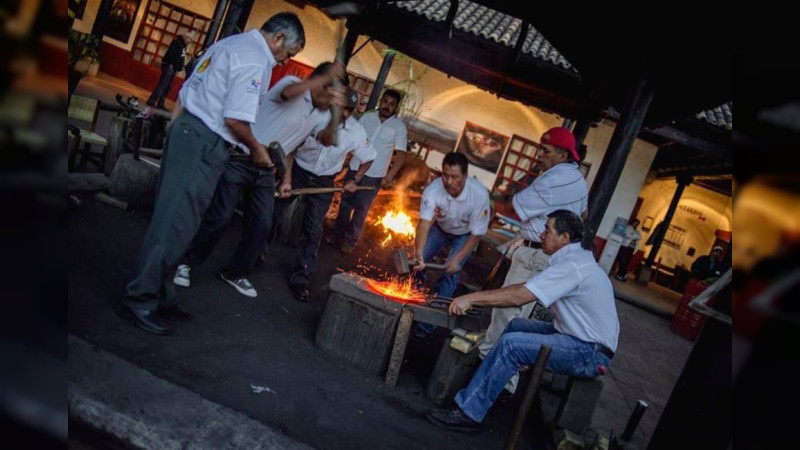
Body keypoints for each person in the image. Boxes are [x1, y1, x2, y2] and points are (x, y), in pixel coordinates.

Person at [117, 13, 305, 336]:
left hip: (190, 131)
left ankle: (162, 292)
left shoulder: (230, 44)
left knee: (183, 222)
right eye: (288, 53)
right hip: (204, 140)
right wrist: (259, 153)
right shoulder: (255, 59)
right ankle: (140, 297)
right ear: (278, 39)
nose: (285, 61)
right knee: (173, 223)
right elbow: (235, 120)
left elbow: (189, 88)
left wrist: (176, 132)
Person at [426, 210, 619, 433]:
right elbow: (522, 289)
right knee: (516, 327)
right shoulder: (572, 260)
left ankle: (468, 412)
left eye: (548, 230)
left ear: (564, 238)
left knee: (512, 345)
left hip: (589, 352)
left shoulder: (571, 266)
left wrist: (471, 298)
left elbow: (519, 297)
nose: (542, 234)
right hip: (577, 338)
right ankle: (489, 388)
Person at [173, 62, 343, 297]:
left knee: (263, 224)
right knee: (220, 216)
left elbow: (318, 141)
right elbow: (287, 94)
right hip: (241, 156)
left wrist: (286, 179)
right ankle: (186, 262)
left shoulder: (323, 114)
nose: (332, 99)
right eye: (331, 91)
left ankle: (234, 272)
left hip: (267, 169)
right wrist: (323, 79)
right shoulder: (291, 85)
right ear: (320, 84)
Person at [477, 127, 588, 394]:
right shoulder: (579, 181)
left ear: (562, 154)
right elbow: (582, 213)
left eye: (545, 151)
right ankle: (495, 369)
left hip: (535, 252)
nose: (540, 155)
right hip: (547, 253)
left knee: (507, 312)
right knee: (514, 316)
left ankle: (498, 379)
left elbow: (519, 203)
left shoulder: (552, 180)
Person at [283, 87, 376, 302]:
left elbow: (369, 157)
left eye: (349, 110)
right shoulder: (315, 116)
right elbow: (290, 143)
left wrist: (355, 180)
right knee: (272, 212)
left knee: (313, 229)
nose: (344, 113)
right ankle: (252, 256)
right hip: (298, 170)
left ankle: (301, 278)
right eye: (342, 107)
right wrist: (286, 177)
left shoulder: (356, 131)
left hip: (325, 180)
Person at [411, 152, 490, 336]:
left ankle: (427, 325)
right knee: (417, 264)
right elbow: (423, 224)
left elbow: (477, 234)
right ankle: (413, 300)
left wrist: (457, 260)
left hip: (465, 234)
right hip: (440, 227)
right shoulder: (432, 190)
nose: (448, 181)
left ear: (465, 176)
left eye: (454, 177)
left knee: (449, 274)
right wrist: (419, 254)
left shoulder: (479, 196)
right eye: (445, 175)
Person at [331, 89, 408, 254]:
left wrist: (389, 176)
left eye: (391, 104)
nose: (387, 106)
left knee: (361, 209)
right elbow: (352, 137)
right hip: (355, 167)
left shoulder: (399, 127)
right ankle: (336, 234)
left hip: (374, 175)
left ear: (396, 107)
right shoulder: (367, 117)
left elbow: (401, 155)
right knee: (345, 204)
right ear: (381, 101)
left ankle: (349, 241)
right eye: (385, 101)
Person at [146, 31, 192, 110]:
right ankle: (152, 100)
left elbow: (181, 57)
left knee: (168, 86)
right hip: (169, 66)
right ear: (185, 37)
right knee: (163, 84)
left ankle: (161, 102)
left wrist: (179, 66)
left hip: (173, 68)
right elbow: (172, 54)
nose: (189, 41)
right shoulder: (176, 43)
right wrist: (173, 64)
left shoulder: (183, 46)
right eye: (189, 39)